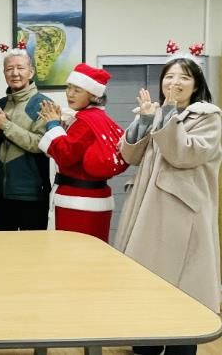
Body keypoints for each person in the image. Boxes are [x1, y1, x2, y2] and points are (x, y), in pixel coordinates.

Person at [114, 56, 221, 355]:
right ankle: (145, 345)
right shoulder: (157, 112)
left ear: (196, 85)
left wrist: (169, 116)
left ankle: (180, 348)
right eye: (169, 76)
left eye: (184, 77)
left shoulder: (209, 117)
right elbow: (130, 156)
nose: (175, 82)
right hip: (147, 210)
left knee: (184, 288)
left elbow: (183, 155)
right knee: (146, 284)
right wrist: (146, 121)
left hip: (183, 215)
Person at [38, 63, 127, 242]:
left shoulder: (85, 122)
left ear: (93, 95)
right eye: (68, 87)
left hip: (77, 201)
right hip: (95, 199)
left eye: (77, 90)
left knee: (72, 253)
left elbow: (65, 155)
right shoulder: (99, 118)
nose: (70, 94)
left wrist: (53, 125)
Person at [0, 48, 51, 231]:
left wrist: (5, 125)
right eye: (9, 69)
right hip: (3, 191)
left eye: (20, 68)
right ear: (4, 73)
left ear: (31, 72)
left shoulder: (43, 104)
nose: (14, 73)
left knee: (32, 246)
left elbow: (41, 145)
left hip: (32, 192)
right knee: (4, 245)